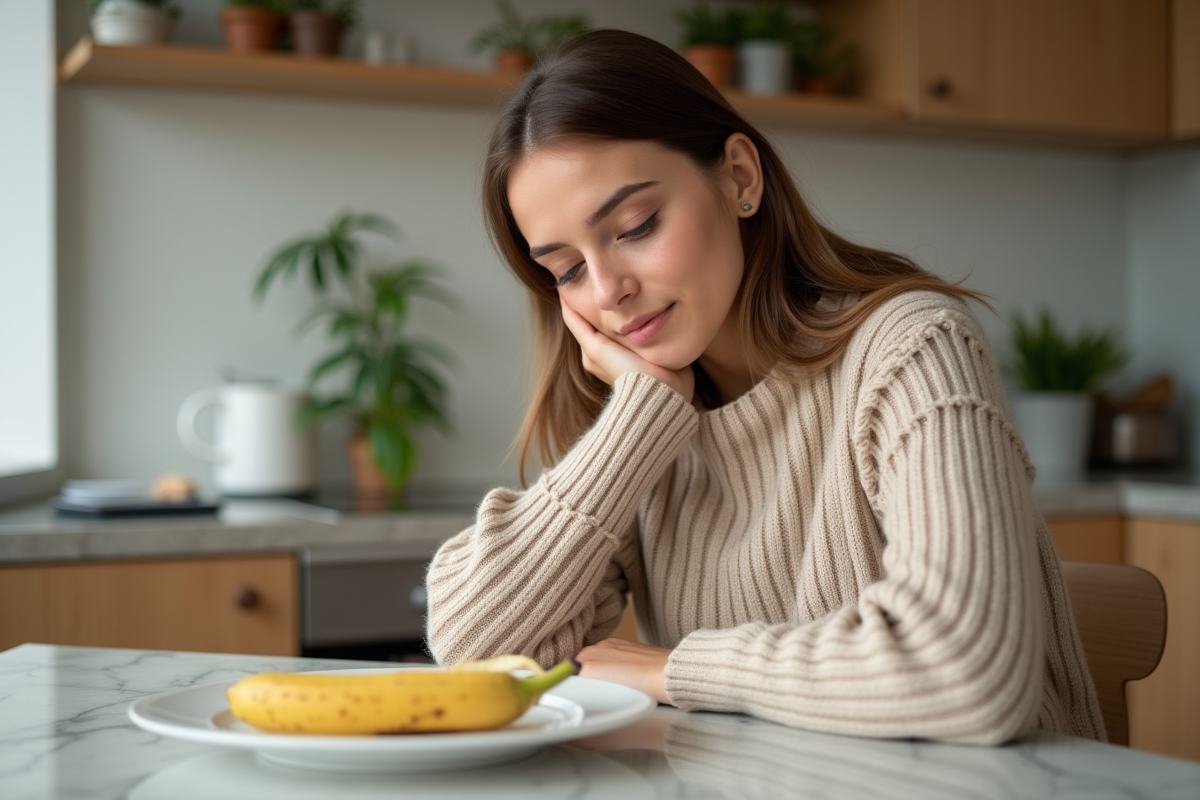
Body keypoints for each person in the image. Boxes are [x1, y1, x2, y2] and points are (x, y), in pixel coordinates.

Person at [425, 29, 1105, 745]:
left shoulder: (911, 347)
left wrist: (673, 671)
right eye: (565, 271)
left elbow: (967, 672)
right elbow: (477, 656)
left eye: (636, 225)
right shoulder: (645, 425)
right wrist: (637, 423)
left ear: (740, 178)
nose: (608, 292)